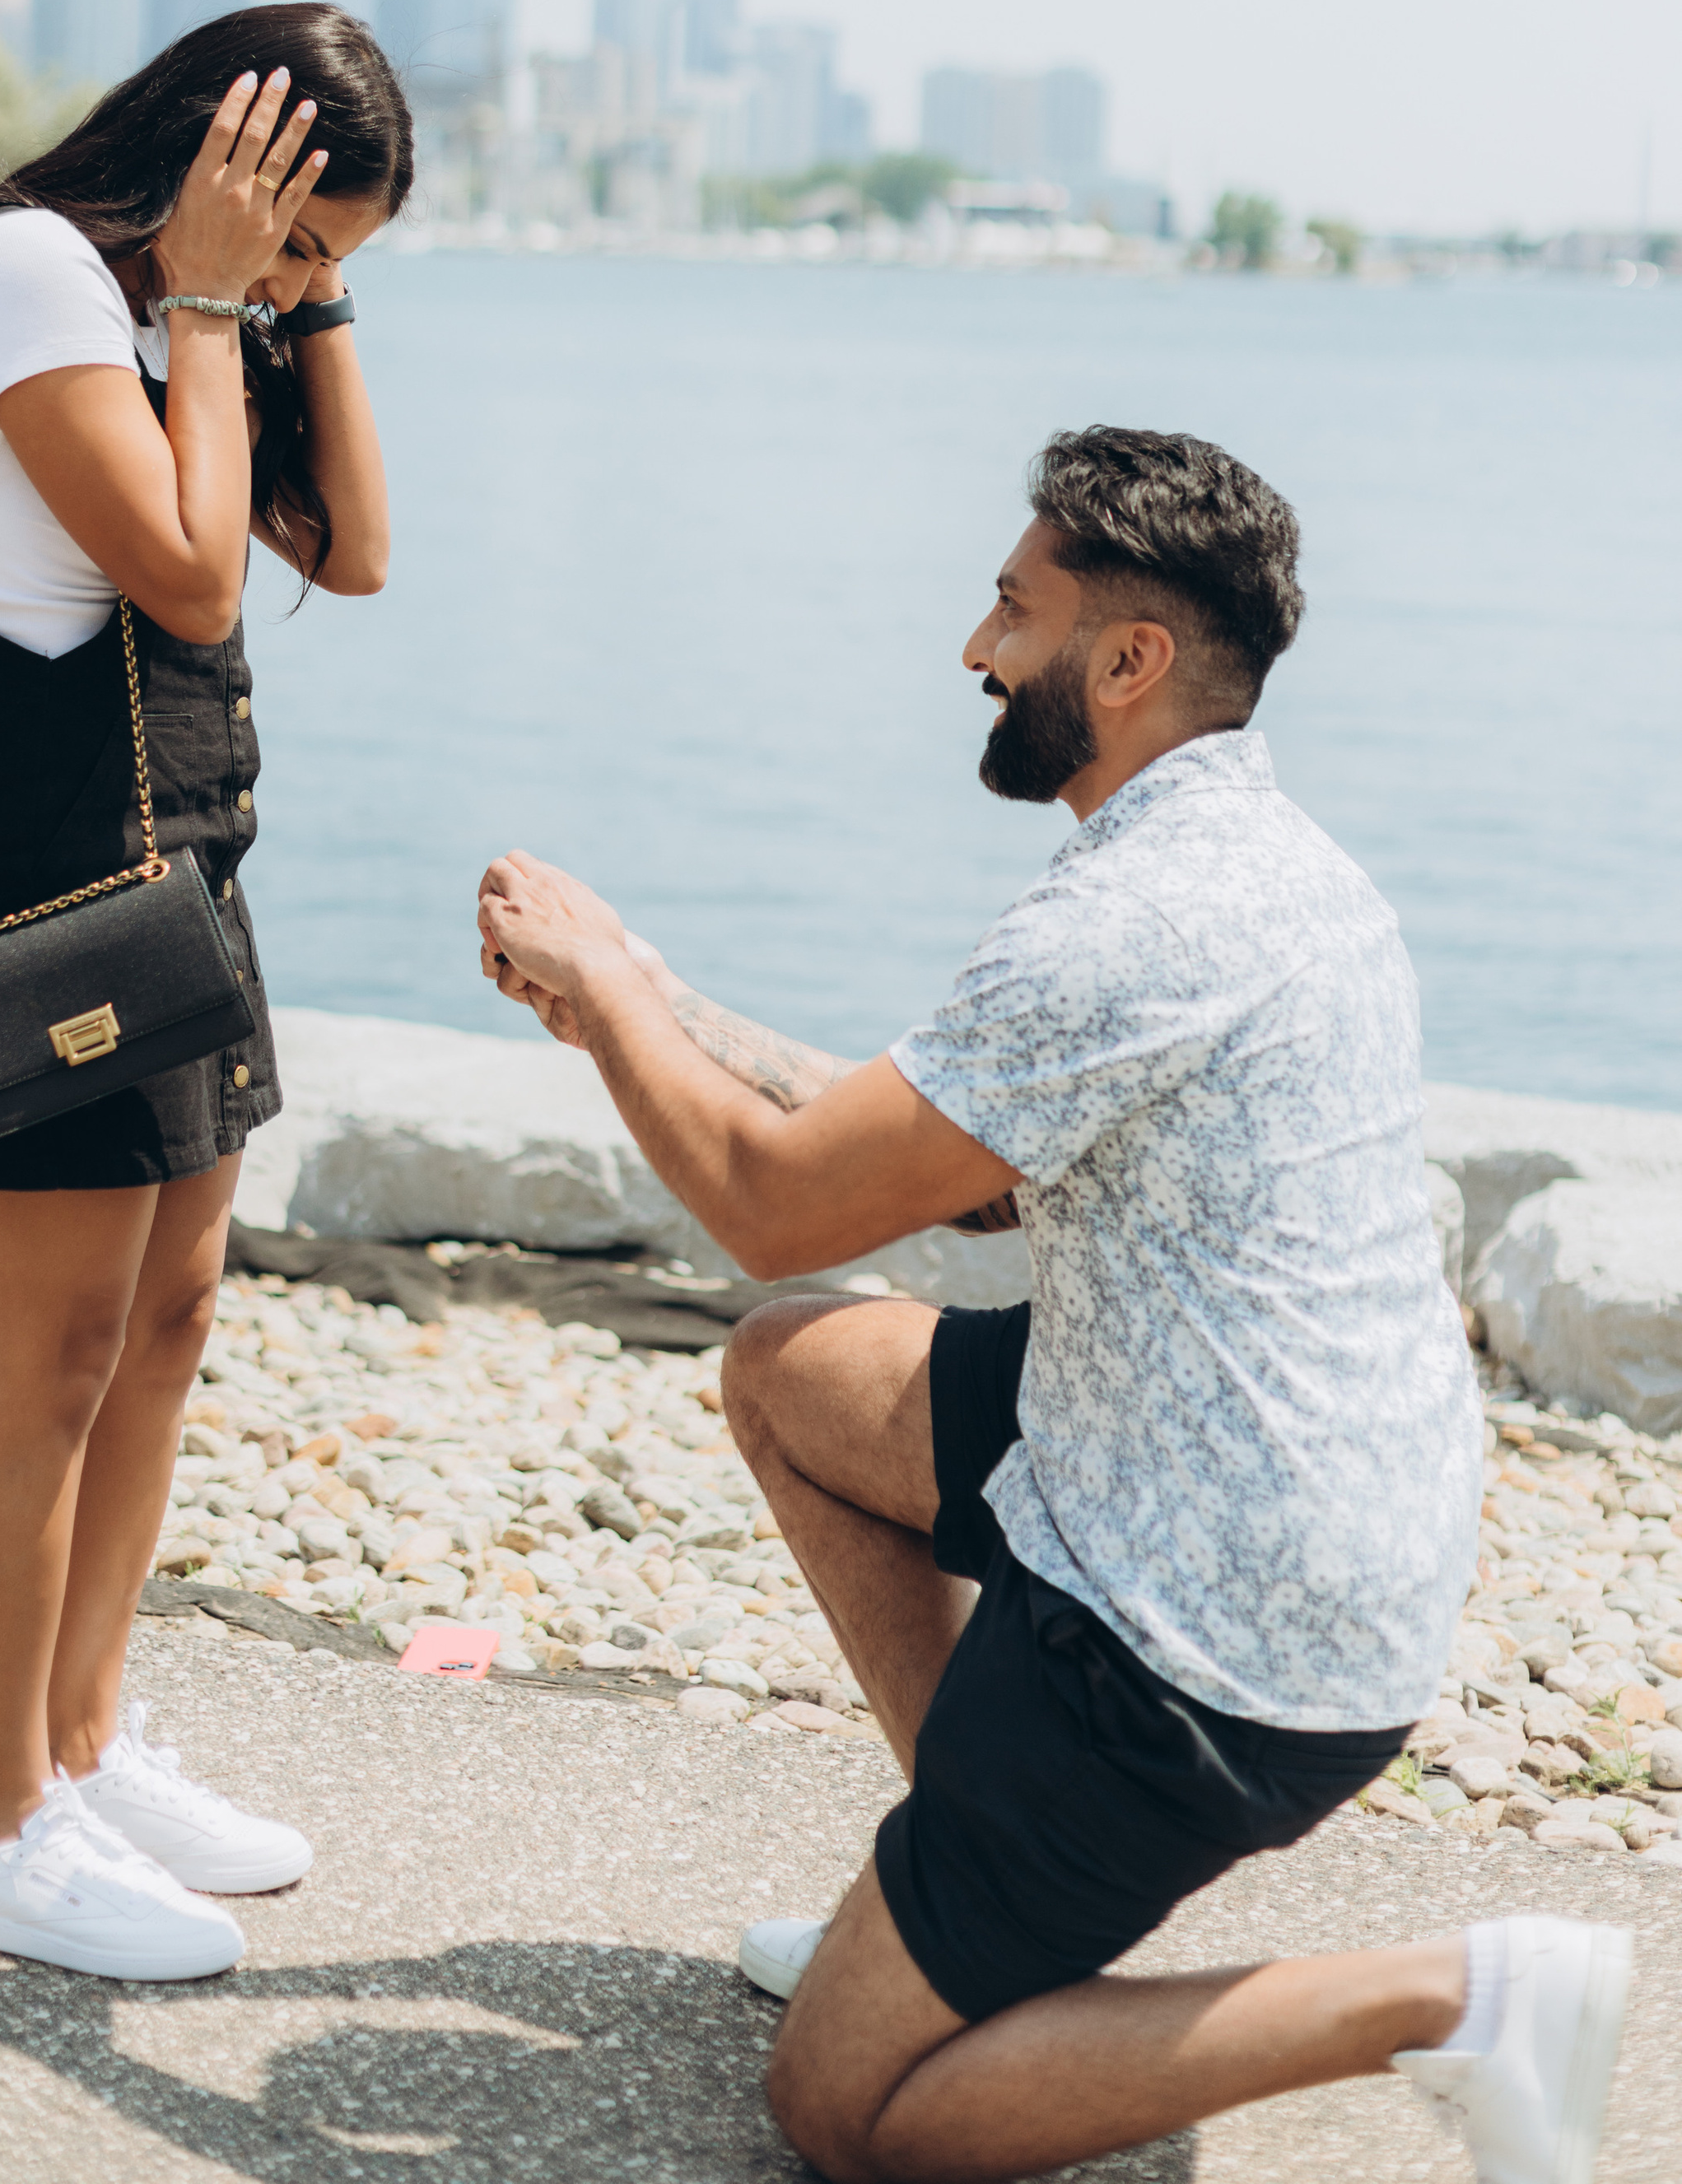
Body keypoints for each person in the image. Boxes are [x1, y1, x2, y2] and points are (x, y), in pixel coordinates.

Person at [475, 426, 1631, 2184]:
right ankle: (963, 1921)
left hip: (1205, 1632)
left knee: (842, 2117)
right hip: (1275, 1496)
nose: (972, 651)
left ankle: (1448, 1999)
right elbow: (964, 1173)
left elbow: (774, 1205)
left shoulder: (1132, 916)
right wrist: (654, 1011)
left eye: (1008, 610)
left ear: (1126, 660)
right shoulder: (1269, 865)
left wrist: (612, 984)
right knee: (796, 1374)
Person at [0, 5, 412, 1984]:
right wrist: (204, 301)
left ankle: (79, 1750)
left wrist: (307, 311)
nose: (289, 283)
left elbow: (341, 555)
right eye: (299, 238)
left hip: (178, 869)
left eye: (321, 254)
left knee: (165, 1322)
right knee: (53, 1356)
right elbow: (191, 579)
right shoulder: (27, 278)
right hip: (33, 889)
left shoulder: (185, 308)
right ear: (210, 161)